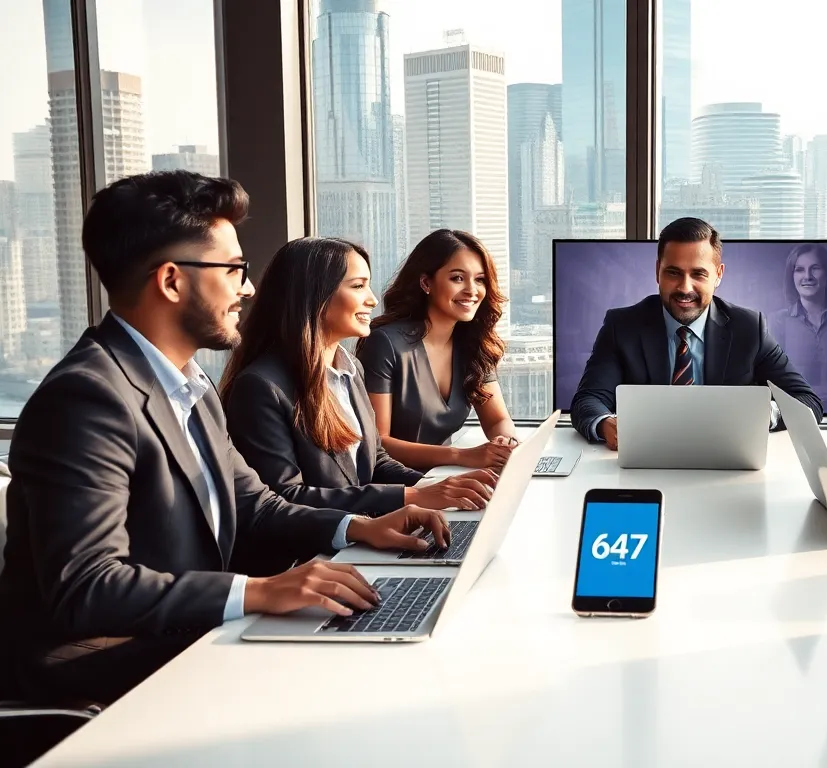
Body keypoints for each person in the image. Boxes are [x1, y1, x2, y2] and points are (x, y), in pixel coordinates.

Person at [0, 171, 451, 707]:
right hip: (98, 666)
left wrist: (362, 526)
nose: (249, 287)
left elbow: (254, 506)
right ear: (171, 281)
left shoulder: (191, 384)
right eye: (234, 269)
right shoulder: (85, 399)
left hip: (184, 636)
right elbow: (90, 586)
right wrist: (257, 592)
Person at [219, 237, 497, 523]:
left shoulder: (350, 368)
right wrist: (410, 496)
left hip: (366, 534)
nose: (372, 299)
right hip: (311, 557)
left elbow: (376, 462)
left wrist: (439, 489)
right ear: (315, 295)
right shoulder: (261, 387)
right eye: (358, 286)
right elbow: (285, 497)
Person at [570, 217, 823, 449]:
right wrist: (605, 424)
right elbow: (588, 399)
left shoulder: (749, 327)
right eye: (673, 273)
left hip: (725, 462)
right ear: (657, 270)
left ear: (718, 275)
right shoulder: (622, 325)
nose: (685, 288)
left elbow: (807, 401)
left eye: (699, 274)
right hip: (646, 460)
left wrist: (762, 415)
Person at [355, 229, 516, 472]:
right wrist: (463, 456)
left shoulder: (474, 344)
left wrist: (505, 444)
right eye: (458, 278)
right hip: (397, 487)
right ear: (426, 282)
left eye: (480, 279)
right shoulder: (385, 343)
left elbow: (498, 419)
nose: (472, 290)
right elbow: (379, 444)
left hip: (445, 476)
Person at [768, 243, 827, 413]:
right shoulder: (777, 321)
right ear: (792, 276)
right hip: (794, 412)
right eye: (799, 269)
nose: (807, 276)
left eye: (815, 268)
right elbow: (771, 380)